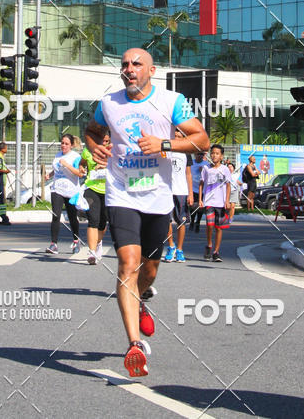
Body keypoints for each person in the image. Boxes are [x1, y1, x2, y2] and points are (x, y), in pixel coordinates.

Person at [86, 48, 209, 378]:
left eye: (136, 64)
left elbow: (202, 140)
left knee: (149, 270)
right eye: (125, 64)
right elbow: (92, 131)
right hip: (121, 193)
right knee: (128, 264)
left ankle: (139, 299)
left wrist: (164, 145)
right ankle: (134, 345)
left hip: (158, 197)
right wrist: (94, 147)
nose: (129, 69)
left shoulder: (171, 101)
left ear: (151, 71)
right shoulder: (108, 103)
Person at [45, 133, 85, 254]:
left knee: (72, 217)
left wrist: (66, 165)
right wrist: (50, 175)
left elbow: (80, 174)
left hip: (71, 190)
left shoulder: (76, 157)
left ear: (71, 145)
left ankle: (76, 241)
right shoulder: (58, 155)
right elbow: (57, 169)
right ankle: (54, 244)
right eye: (62, 143)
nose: (63, 145)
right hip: (57, 189)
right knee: (55, 215)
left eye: (66, 144)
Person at [163, 127, 193, 262]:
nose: (177, 137)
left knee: (181, 221)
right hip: (167, 190)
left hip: (181, 191)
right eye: (174, 135)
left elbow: (188, 174)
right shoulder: (166, 150)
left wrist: (190, 193)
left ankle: (180, 249)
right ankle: (171, 246)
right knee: (166, 220)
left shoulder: (186, 153)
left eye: (179, 135)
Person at [80, 130, 110, 264]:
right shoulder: (88, 150)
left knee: (102, 223)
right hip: (91, 188)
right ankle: (92, 252)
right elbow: (82, 162)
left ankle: (98, 243)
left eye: (107, 141)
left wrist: (105, 165)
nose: (104, 143)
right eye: (102, 140)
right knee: (93, 220)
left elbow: (121, 167)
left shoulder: (113, 151)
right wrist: (81, 168)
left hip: (108, 190)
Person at [199, 144, 231, 261]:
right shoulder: (206, 168)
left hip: (221, 203)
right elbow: (201, 183)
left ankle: (216, 252)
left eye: (217, 153)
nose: (214, 155)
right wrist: (200, 199)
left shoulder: (225, 169)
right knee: (209, 224)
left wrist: (227, 201)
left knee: (219, 227)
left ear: (221, 156)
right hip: (209, 201)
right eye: (212, 153)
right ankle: (209, 244)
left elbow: (228, 185)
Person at [189, 150, 208, 232]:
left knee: (200, 207)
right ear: (195, 154)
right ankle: (192, 220)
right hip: (193, 188)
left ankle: (198, 222)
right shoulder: (191, 163)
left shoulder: (206, 164)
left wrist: (203, 171)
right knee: (192, 206)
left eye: (201, 154)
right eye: (198, 154)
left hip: (202, 189)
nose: (199, 156)